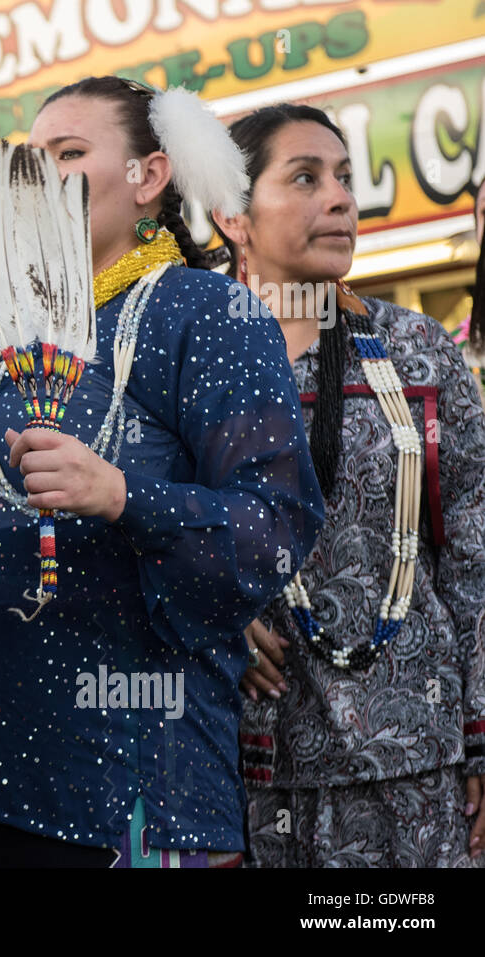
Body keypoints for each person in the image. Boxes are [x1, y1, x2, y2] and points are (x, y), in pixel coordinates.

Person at [0, 77, 325, 867]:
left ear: (149, 177)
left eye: (68, 154)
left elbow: (275, 530)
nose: (40, 178)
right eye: (30, 161)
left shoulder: (208, 312)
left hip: (125, 788)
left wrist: (123, 495)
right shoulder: (3, 343)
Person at [210, 103, 485, 867]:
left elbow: (476, 555)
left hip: (426, 777)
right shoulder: (189, 366)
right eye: (304, 177)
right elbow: (135, 532)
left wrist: (483, 740)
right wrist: (211, 614)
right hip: (252, 779)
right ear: (231, 213)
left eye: (343, 179)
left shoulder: (417, 352)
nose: (339, 198)